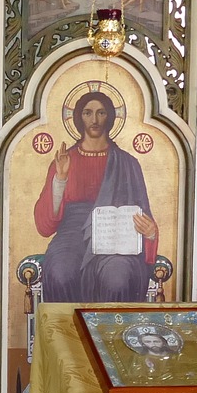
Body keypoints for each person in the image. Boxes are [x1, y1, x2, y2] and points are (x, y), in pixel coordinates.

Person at [32, 90, 159, 303]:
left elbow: (144, 214)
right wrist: (60, 178)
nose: (94, 119)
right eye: (87, 113)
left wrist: (151, 233)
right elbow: (45, 226)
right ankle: (68, 336)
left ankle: (110, 335)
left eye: (101, 113)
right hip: (72, 236)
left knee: (116, 278)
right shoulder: (65, 160)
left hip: (115, 238)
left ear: (109, 117)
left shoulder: (128, 163)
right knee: (60, 272)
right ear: (79, 117)